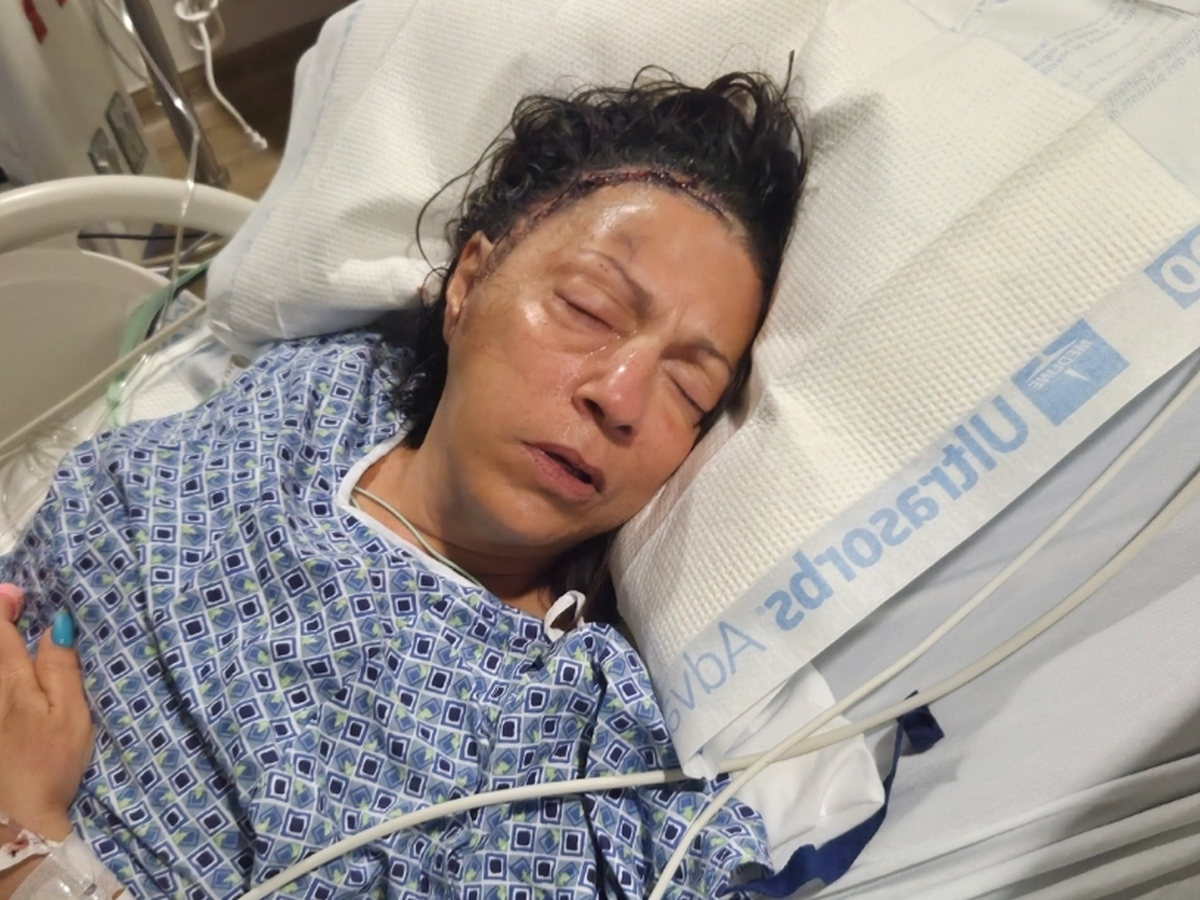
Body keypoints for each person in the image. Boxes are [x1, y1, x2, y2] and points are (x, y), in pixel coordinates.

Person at [0, 70, 805, 899]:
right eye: (589, 308)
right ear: (468, 283)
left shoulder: (573, 747)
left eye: (688, 388)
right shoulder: (316, 394)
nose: (622, 396)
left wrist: (26, 840)